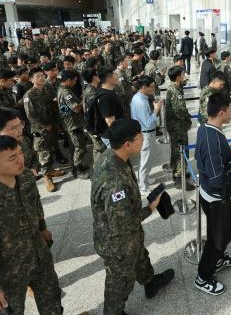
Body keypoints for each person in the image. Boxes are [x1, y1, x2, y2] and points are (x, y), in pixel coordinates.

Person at [0, 136, 63, 314]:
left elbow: (34, 204)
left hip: (39, 256)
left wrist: (42, 227)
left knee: (53, 304)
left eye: (20, 153)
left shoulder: (25, 177)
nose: (20, 160)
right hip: (9, 271)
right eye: (12, 158)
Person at [90, 118, 174, 314]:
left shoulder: (112, 156)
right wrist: (151, 208)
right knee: (119, 281)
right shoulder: (115, 182)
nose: (143, 139)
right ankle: (113, 312)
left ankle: (150, 282)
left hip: (128, 237)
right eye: (139, 137)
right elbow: (122, 224)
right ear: (127, 144)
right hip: (117, 243)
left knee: (140, 257)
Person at [195, 92, 231, 295]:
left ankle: (218, 259)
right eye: (229, 109)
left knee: (224, 231)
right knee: (216, 239)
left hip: (212, 194)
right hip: (215, 197)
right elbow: (217, 179)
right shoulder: (212, 140)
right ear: (221, 112)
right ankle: (203, 277)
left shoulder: (207, 127)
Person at [23, 68, 60, 193]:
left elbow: (54, 105)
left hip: (52, 125)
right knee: (44, 153)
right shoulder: (29, 95)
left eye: (42, 76)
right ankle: (47, 178)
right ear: (31, 79)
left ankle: (51, 171)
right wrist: (44, 126)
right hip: (40, 130)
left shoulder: (48, 89)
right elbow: (30, 115)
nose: (41, 78)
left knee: (52, 148)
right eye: (37, 76)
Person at [130, 76, 163, 193]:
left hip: (148, 132)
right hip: (145, 133)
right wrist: (156, 109)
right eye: (152, 87)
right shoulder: (140, 102)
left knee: (149, 157)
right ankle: (142, 185)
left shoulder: (143, 97)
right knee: (145, 159)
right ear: (144, 87)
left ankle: (146, 178)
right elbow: (148, 123)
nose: (154, 89)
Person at [165, 66, 194, 188]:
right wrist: (188, 119)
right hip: (178, 128)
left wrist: (184, 81)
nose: (184, 76)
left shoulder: (173, 87)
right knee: (181, 151)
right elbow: (180, 111)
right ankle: (179, 177)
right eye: (182, 74)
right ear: (177, 77)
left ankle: (177, 170)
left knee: (176, 150)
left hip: (174, 126)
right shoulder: (176, 93)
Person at [58, 70, 90, 179]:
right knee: (79, 147)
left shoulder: (63, 89)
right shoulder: (66, 93)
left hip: (71, 122)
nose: (75, 83)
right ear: (67, 80)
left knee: (74, 147)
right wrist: (84, 99)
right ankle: (77, 170)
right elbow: (76, 108)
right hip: (72, 124)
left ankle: (77, 166)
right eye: (74, 81)